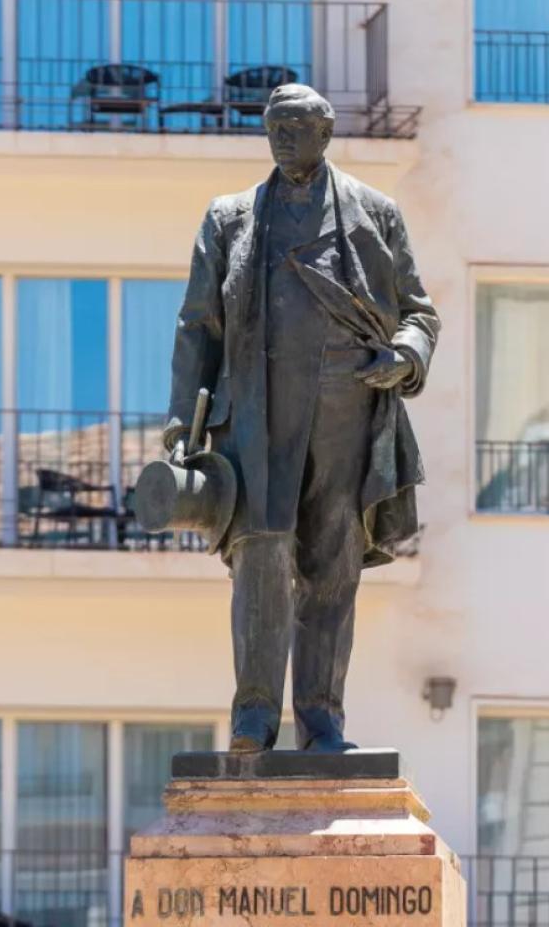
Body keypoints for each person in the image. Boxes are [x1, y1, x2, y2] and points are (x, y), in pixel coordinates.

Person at [165, 84, 440, 753]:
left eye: (296, 126)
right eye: (274, 127)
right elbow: (199, 324)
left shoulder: (376, 213)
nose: (283, 138)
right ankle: (253, 717)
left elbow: (419, 313)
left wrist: (405, 355)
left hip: (346, 410)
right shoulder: (229, 218)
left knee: (333, 561)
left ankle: (322, 719)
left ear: (324, 132)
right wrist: (182, 423)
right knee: (261, 557)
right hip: (256, 416)